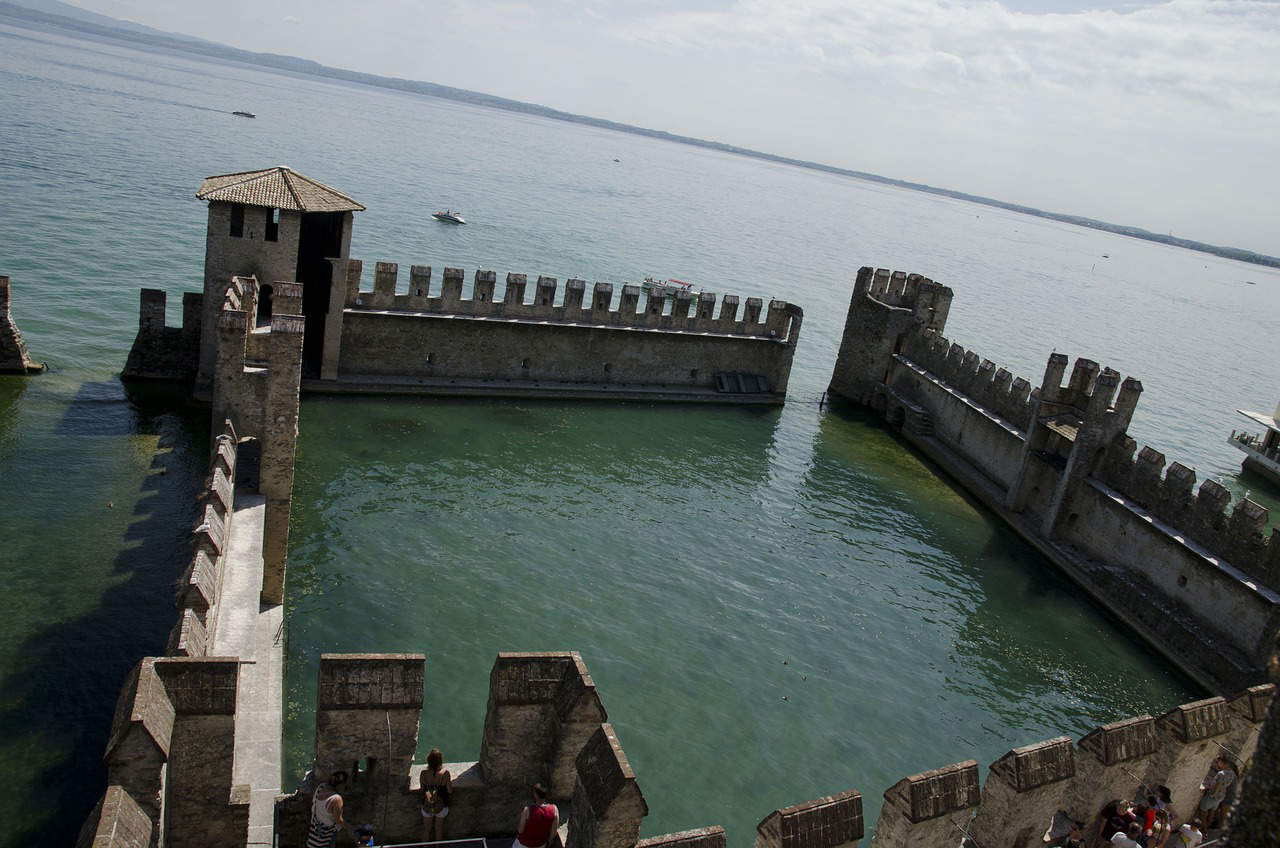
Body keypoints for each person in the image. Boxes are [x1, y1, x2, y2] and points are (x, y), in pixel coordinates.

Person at [306, 770, 347, 848]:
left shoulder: (321, 787)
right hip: (327, 834)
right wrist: (352, 829)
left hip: (315, 829)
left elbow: (314, 804)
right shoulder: (336, 799)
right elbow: (338, 821)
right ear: (341, 785)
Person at [421, 748, 453, 842]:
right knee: (439, 829)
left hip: (427, 804)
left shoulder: (423, 773)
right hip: (442, 805)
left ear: (428, 760)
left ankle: (425, 846)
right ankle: (438, 845)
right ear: (440, 760)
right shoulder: (445, 773)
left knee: (426, 830)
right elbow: (449, 791)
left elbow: (422, 790)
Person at [515, 782, 560, 848]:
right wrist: (548, 843)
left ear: (535, 795)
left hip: (524, 844)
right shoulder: (554, 809)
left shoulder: (527, 810)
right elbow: (553, 833)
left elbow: (520, 830)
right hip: (540, 844)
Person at [1197, 757, 1236, 829]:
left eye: (1219, 762)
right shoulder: (1232, 773)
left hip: (1213, 795)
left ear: (1223, 763)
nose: (1218, 764)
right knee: (1212, 811)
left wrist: (1210, 792)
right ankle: (1208, 825)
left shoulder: (1221, 773)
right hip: (1221, 796)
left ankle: (1204, 829)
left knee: (1203, 810)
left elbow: (1217, 785)